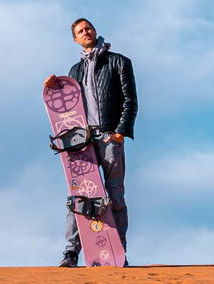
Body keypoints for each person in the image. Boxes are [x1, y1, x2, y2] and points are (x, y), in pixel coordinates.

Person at [44, 18, 137, 268]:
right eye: (79, 31)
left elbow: (130, 100)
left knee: (115, 194)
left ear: (95, 31)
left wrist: (120, 132)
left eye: (88, 28)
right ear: (75, 39)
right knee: (80, 194)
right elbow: (67, 107)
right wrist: (55, 88)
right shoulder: (74, 71)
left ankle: (118, 251)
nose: (85, 32)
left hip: (109, 136)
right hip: (81, 141)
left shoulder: (118, 61)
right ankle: (71, 252)